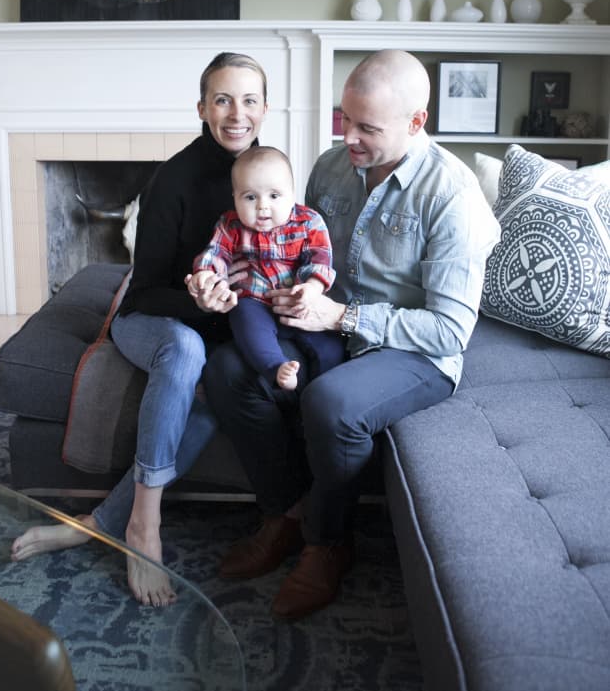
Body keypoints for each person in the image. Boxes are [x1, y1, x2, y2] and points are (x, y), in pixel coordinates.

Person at [197, 49, 501, 621]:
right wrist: (249, 276)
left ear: (416, 121)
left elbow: (449, 331)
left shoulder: (452, 195)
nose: (349, 138)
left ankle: (327, 542)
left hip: (411, 350)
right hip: (323, 323)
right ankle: (284, 513)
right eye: (345, 119)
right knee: (226, 369)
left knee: (330, 402)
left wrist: (340, 317)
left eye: (368, 128)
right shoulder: (332, 167)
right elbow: (298, 245)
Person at [11, 51, 269, 607]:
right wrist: (200, 301)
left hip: (224, 324)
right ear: (202, 108)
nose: (236, 114)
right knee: (184, 349)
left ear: (265, 109)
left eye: (249, 100)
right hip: (151, 318)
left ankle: (99, 521)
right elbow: (145, 288)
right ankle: (144, 529)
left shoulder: (269, 176)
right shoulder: (173, 180)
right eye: (223, 100)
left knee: (216, 392)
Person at [189, 146, 345, 391]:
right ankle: (275, 367)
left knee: (330, 349)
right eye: (250, 197)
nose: (262, 206)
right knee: (245, 321)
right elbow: (216, 252)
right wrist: (207, 274)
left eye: (274, 196)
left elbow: (320, 258)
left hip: (298, 299)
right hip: (255, 302)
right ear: (235, 197)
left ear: (291, 194)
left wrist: (312, 288)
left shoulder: (308, 222)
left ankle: (324, 388)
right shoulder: (230, 225)